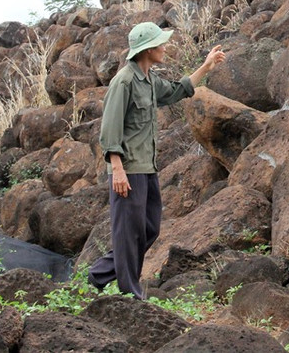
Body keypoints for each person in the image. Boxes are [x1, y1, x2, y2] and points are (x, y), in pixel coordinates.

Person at [88, 21, 225, 299]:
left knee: (149, 228)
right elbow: (109, 130)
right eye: (160, 44)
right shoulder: (124, 82)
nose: (164, 47)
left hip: (147, 167)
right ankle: (131, 293)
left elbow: (177, 90)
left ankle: (99, 274)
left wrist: (206, 66)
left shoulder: (149, 79)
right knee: (128, 232)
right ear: (147, 49)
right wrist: (117, 170)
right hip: (127, 169)